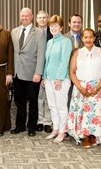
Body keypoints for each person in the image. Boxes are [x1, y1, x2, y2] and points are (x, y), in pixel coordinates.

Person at [66, 28, 101, 148]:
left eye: (91, 37)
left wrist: (97, 87)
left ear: (94, 38)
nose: (88, 39)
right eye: (85, 37)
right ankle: (85, 136)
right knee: (83, 112)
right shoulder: (77, 53)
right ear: (82, 39)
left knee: (96, 112)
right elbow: (72, 72)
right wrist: (80, 88)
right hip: (81, 87)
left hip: (97, 87)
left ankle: (94, 135)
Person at [10, 7, 46, 137]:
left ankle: (31, 127)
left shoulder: (39, 33)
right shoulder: (14, 32)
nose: (24, 18)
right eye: (22, 16)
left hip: (32, 74)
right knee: (19, 102)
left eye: (27, 15)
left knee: (33, 102)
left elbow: (41, 54)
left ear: (31, 17)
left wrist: (38, 73)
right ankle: (20, 126)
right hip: (17, 73)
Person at [42, 15, 72, 143]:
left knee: (61, 106)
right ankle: (56, 128)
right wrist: (44, 77)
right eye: (51, 26)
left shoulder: (65, 41)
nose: (53, 28)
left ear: (61, 27)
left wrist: (59, 78)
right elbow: (46, 61)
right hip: (48, 79)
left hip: (61, 79)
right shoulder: (50, 42)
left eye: (55, 26)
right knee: (52, 105)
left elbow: (64, 61)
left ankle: (63, 131)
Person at [36, 10, 53, 133]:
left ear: (48, 19)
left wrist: (45, 74)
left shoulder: (53, 34)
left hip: (49, 71)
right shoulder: (33, 33)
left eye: (44, 18)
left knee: (48, 98)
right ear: (36, 20)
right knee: (38, 97)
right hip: (35, 71)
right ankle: (39, 121)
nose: (42, 20)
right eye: (40, 18)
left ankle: (47, 121)